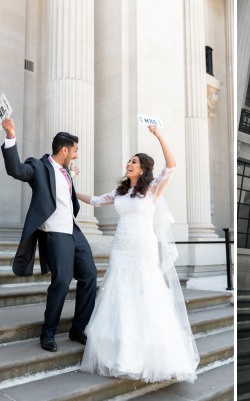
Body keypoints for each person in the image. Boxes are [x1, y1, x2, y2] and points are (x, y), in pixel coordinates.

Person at [76, 125, 199, 383]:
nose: (129, 164)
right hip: (121, 246)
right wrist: (70, 188)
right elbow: (97, 200)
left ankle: (146, 351)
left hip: (143, 246)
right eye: (129, 161)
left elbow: (172, 165)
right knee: (119, 292)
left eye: (134, 161)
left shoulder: (153, 188)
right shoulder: (121, 192)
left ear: (143, 168)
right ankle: (119, 349)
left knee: (144, 290)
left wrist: (159, 135)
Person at [0, 118, 98, 352]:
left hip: (73, 229)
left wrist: (70, 178)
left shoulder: (65, 172)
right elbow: (16, 170)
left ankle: (78, 329)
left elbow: (64, 195)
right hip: (55, 232)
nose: (75, 155)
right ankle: (48, 334)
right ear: (64, 149)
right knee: (62, 281)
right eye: (74, 151)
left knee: (90, 276)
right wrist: (11, 136)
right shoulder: (39, 166)